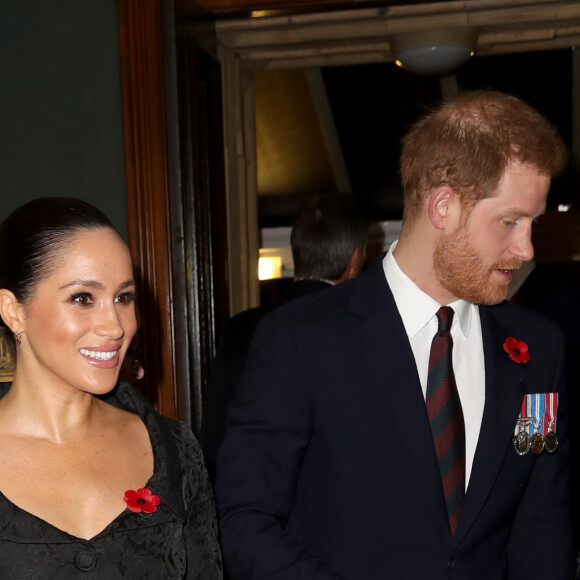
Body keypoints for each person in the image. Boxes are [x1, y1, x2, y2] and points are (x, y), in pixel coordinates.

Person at [215, 90, 573, 579]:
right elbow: (244, 524)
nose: (527, 248)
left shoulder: (538, 348)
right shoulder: (299, 340)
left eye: (533, 223)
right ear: (443, 206)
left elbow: (543, 525)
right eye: (510, 221)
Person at [0, 197, 222, 579]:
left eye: (123, 297)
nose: (116, 326)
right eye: (83, 298)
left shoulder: (175, 450)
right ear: (14, 310)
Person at [201, 193, 369, 480]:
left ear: (298, 252)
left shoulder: (240, 329)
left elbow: (215, 443)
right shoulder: (362, 333)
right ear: (355, 259)